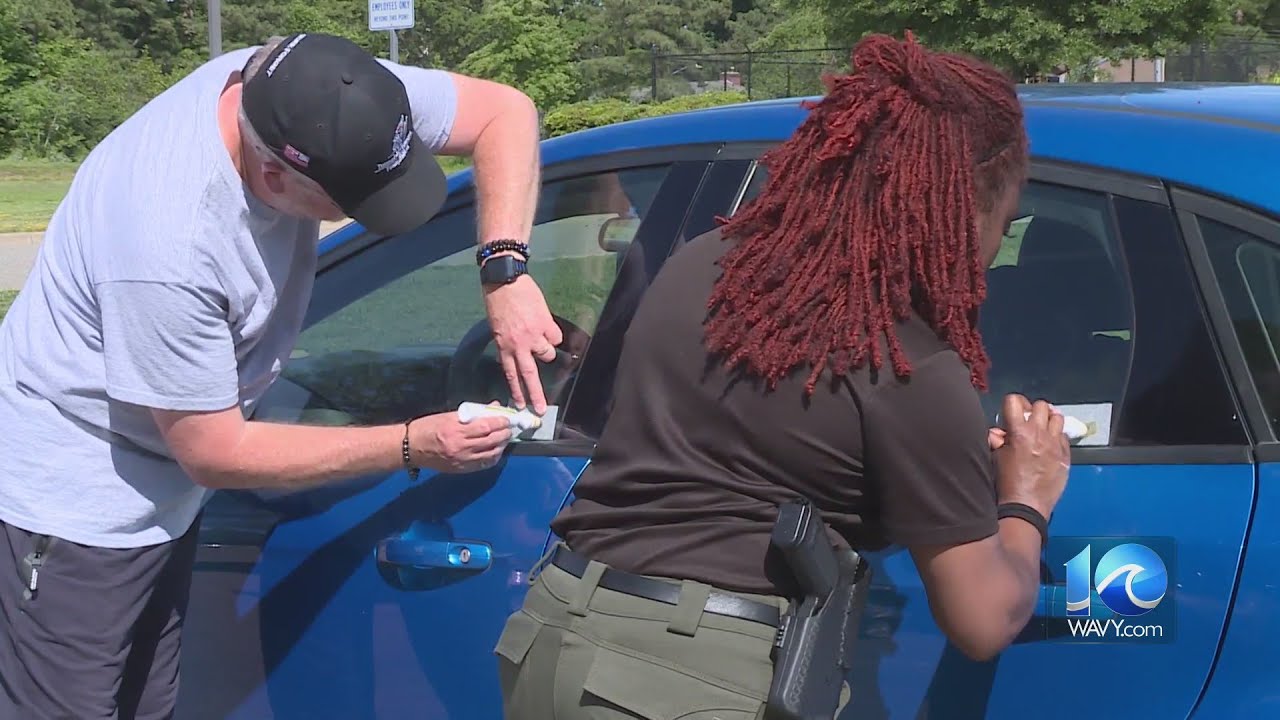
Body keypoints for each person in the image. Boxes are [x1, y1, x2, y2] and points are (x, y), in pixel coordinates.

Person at [494, 32, 1073, 719]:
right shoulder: (907, 363)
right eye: (1000, 229)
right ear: (956, 215)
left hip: (553, 639)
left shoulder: (704, 262)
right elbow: (982, 620)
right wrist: (1027, 500)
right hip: (690, 684)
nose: (984, 261)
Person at [0, 32, 562, 719]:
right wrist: (412, 445)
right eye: (352, 202)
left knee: (149, 705)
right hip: (82, 506)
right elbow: (215, 451)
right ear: (274, 177)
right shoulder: (168, 244)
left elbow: (504, 110)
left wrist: (504, 268)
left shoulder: (323, 93)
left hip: (170, 484)